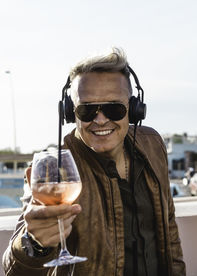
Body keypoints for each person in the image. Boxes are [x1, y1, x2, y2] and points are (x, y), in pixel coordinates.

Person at [2, 47, 186, 276]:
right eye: (86, 110)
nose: (100, 120)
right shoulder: (54, 166)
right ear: (70, 112)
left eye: (113, 108)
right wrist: (35, 244)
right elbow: (15, 269)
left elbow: (169, 231)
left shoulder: (152, 144)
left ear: (135, 108)